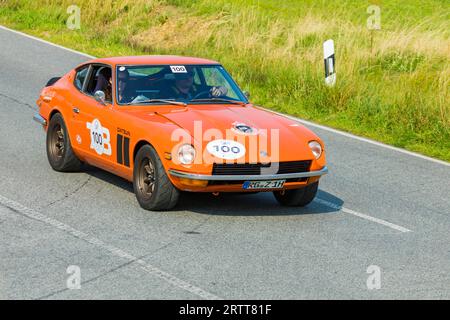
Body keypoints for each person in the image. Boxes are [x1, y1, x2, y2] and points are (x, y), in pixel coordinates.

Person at [161, 67, 228, 100]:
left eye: (191, 74)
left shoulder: (199, 88)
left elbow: (224, 89)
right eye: (184, 75)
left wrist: (219, 91)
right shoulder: (166, 91)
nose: (188, 78)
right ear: (177, 76)